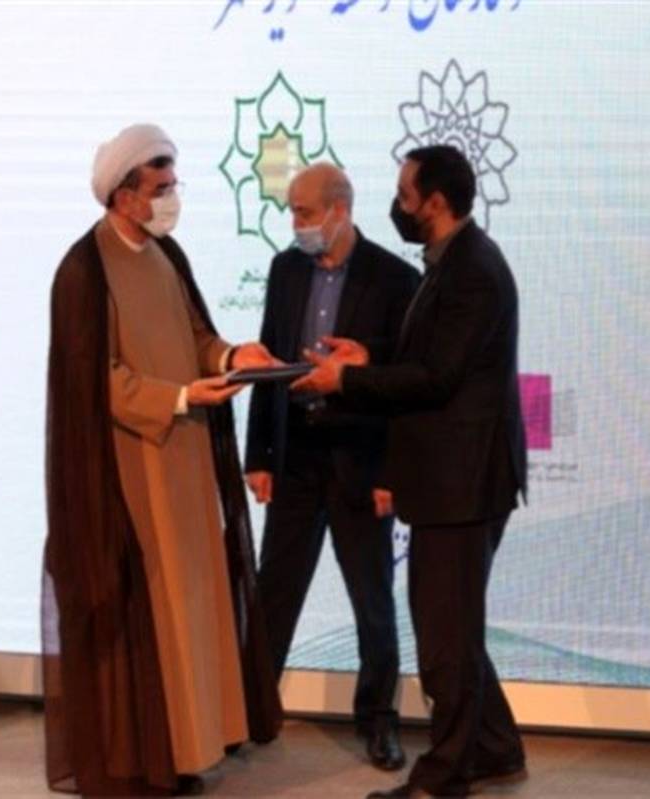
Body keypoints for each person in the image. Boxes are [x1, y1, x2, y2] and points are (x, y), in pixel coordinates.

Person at [42, 123, 282, 796]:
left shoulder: (167, 254)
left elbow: (196, 337)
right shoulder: (83, 270)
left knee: (191, 609)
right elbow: (98, 379)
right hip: (130, 471)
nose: (171, 198)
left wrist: (233, 356)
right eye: (161, 187)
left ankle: (186, 748)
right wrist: (178, 396)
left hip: (185, 461)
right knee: (154, 612)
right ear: (124, 195)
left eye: (173, 184)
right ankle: (147, 761)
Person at [294, 144, 528, 798]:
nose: (396, 207)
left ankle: (443, 775)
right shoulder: (451, 260)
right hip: (450, 480)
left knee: (445, 637)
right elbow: (427, 350)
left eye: (404, 196)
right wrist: (369, 354)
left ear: (435, 201)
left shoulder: (473, 269)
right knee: (454, 627)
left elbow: (436, 376)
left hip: (464, 482)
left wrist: (347, 380)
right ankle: (495, 747)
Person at [245, 162, 419, 771]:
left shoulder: (394, 278)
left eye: (305, 212)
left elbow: (403, 382)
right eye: (292, 211)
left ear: (340, 210)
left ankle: (379, 720)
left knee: (371, 599)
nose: (296, 224)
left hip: (361, 461)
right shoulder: (285, 269)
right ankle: (250, 712)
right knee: (273, 593)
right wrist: (259, 454)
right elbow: (267, 358)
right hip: (295, 455)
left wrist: (394, 473)